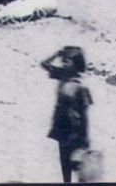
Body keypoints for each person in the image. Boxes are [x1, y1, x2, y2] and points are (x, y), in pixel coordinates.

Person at [44, 45, 94, 183]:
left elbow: (84, 116)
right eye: (63, 60)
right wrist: (57, 53)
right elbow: (44, 64)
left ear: (76, 64)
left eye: (68, 61)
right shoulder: (62, 76)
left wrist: (85, 138)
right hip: (61, 127)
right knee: (64, 165)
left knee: (79, 168)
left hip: (75, 132)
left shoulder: (81, 87)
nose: (64, 63)